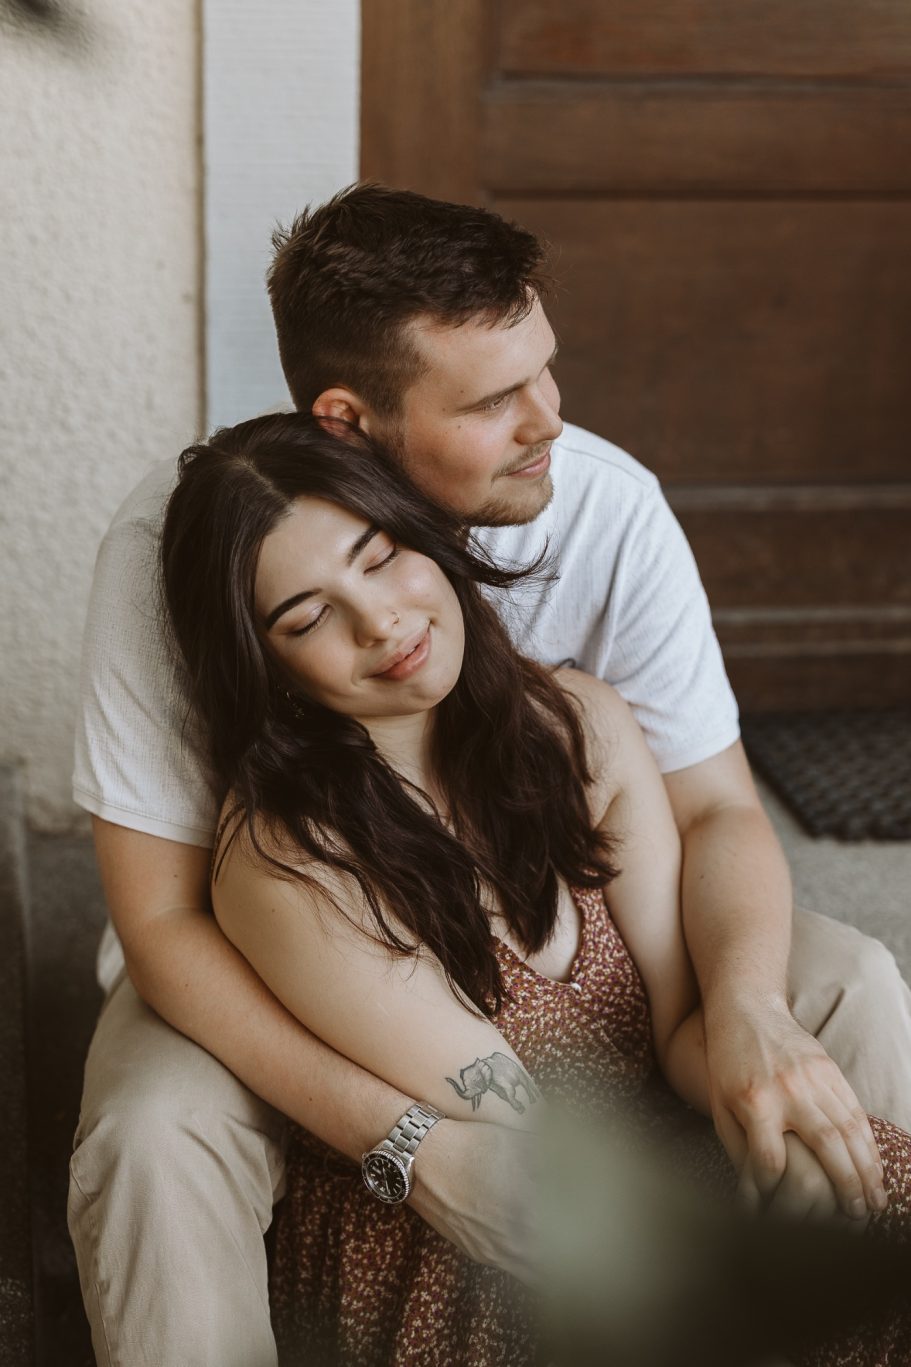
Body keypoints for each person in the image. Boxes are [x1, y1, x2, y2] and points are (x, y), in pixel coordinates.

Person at [69, 183, 911, 1367]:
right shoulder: (184, 549)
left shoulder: (602, 516)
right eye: (490, 399)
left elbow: (715, 806)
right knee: (153, 1133)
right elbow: (162, 918)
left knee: (848, 986)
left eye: (541, 370)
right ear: (349, 420)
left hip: (579, 938)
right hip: (263, 968)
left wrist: (748, 1012)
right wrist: (409, 1141)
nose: (547, 421)